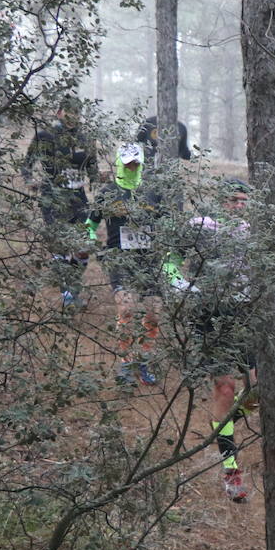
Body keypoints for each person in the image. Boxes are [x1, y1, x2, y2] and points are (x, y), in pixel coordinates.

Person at [168, 178, 256, 503]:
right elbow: (169, 261)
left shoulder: (250, 230)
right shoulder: (200, 226)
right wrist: (184, 287)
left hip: (245, 315)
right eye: (233, 200)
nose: (238, 206)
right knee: (225, 388)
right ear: (219, 201)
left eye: (243, 201)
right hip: (209, 315)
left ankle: (223, 424)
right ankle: (231, 469)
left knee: (256, 391)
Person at [22, 96, 99, 306]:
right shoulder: (45, 136)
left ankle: (72, 287)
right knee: (61, 247)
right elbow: (26, 164)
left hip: (78, 197)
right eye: (68, 111)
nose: (73, 115)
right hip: (52, 196)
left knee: (84, 246)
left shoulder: (85, 138)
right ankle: (68, 294)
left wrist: (99, 186)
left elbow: (93, 167)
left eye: (77, 112)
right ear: (59, 113)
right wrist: (30, 181)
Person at [96, 142, 162, 385]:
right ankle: (125, 364)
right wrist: (89, 240)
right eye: (127, 164)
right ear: (119, 164)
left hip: (148, 259)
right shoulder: (107, 192)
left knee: (154, 313)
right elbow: (91, 224)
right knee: (126, 309)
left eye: (136, 163)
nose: (132, 167)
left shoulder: (154, 191)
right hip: (118, 257)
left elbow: (167, 222)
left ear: (142, 163)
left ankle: (144, 361)